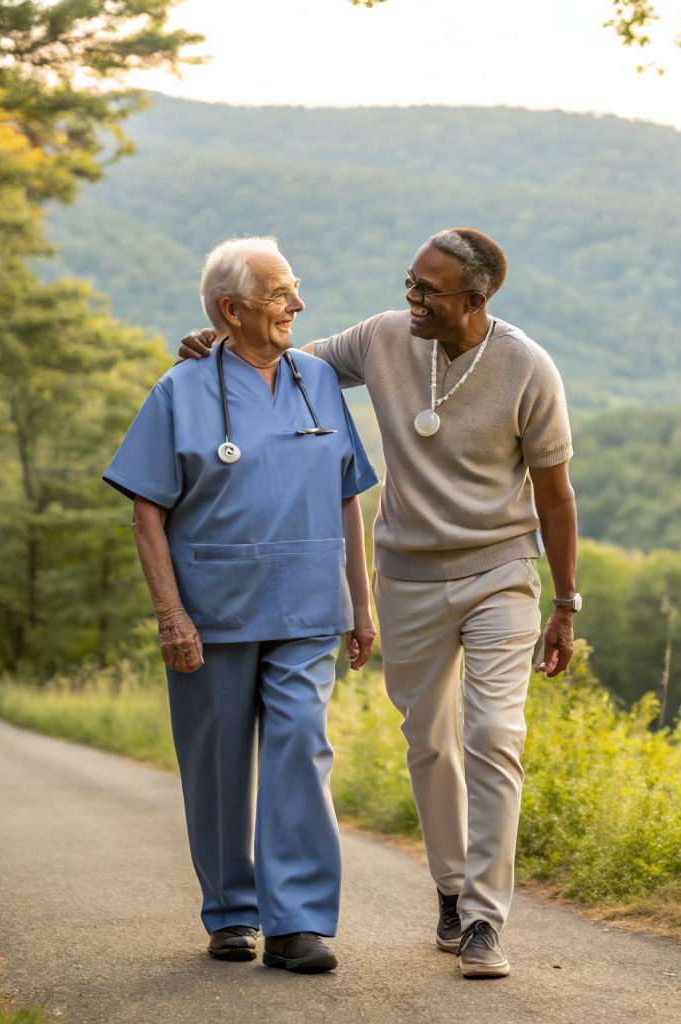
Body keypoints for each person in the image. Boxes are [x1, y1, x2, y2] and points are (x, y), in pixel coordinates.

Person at [176, 228, 579, 978]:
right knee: (427, 740)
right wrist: (220, 339)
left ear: (474, 299)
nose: (410, 298)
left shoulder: (526, 366)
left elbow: (555, 497)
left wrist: (566, 601)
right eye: (409, 281)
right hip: (408, 575)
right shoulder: (385, 338)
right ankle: (452, 891)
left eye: (427, 290)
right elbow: (284, 359)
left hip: (501, 571)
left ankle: (486, 920)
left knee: (493, 733)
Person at [106, 237, 379, 973]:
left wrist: (362, 600)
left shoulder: (318, 380)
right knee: (218, 761)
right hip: (213, 610)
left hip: (308, 606)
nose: (298, 305)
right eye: (281, 294)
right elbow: (147, 512)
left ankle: (296, 924)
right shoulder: (180, 389)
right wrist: (171, 615)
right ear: (231, 309)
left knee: (300, 748)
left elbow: (349, 494)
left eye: (295, 289)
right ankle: (231, 912)